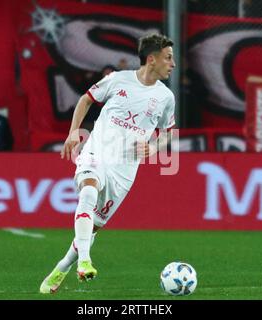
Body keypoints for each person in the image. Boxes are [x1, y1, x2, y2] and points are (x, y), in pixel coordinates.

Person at [40, 33, 176, 294]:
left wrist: (153, 147)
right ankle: (84, 261)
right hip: (98, 151)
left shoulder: (166, 97)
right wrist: (73, 132)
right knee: (88, 190)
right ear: (152, 59)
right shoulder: (118, 79)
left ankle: (63, 266)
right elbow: (86, 99)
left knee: (95, 224)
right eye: (168, 58)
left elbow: (169, 132)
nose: (173, 64)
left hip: (125, 168)